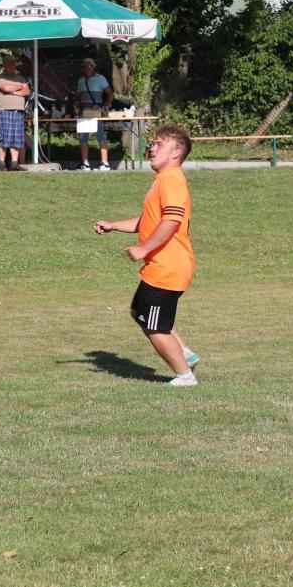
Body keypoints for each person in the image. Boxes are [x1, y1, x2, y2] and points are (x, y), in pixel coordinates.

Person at [94, 126, 200, 386]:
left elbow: (172, 219)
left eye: (159, 144)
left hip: (168, 266)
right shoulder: (163, 180)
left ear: (176, 153)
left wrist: (143, 249)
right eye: (152, 143)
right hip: (162, 266)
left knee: (154, 324)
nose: (151, 148)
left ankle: (184, 375)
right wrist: (114, 225)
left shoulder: (172, 178)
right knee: (140, 311)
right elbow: (148, 221)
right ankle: (185, 353)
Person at [0, 54, 31, 171]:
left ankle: (14, 164)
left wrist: (15, 91)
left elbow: (26, 92)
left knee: (16, 139)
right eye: (8, 63)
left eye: (13, 63)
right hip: (3, 110)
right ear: (4, 65)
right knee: (3, 138)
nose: (11, 65)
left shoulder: (21, 77)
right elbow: (6, 88)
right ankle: (2, 164)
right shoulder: (0, 77)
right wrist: (19, 86)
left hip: (18, 111)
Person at [76, 57, 113, 170]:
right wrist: (76, 103)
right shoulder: (81, 80)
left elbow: (110, 93)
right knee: (83, 138)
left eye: (90, 66)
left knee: (100, 136)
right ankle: (85, 163)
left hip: (96, 112)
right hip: (84, 112)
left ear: (94, 67)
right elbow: (78, 95)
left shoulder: (101, 78)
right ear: (83, 68)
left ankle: (105, 163)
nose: (87, 68)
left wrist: (107, 103)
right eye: (85, 66)